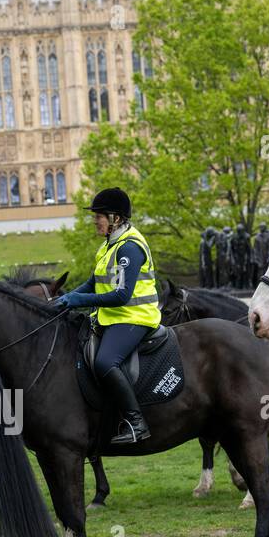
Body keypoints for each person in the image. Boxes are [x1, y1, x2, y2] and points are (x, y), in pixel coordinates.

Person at [52, 187, 161, 445]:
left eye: (99, 216)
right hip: (112, 317)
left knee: (105, 362)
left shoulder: (129, 248)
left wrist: (78, 301)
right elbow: (93, 283)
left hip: (135, 317)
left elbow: (122, 295)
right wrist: (62, 300)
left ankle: (136, 422)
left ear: (116, 218)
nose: (95, 221)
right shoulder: (108, 247)